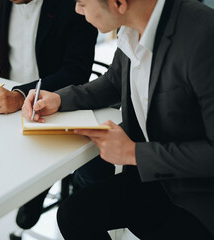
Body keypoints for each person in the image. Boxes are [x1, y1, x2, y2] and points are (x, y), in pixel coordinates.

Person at [22, 0, 214, 239]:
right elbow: (114, 81)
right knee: (72, 215)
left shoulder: (204, 36)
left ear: (118, 3)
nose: (76, 10)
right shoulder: (130, 26)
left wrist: (133, 153)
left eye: (81, 3)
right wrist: (60, 99)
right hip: (151, 178)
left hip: (197, 197)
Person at [0, 0, 100, 238]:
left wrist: (21, 95)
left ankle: (47, 187)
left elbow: (76, 72)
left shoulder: (74, 6)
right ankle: (34, 187)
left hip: (59, 104)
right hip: (9, 105)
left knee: (89, 175)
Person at [0, 0, 97, 114]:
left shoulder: (77, 6)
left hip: (56, 107)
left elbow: (76, 73)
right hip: (5, 103)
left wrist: (21, 96)